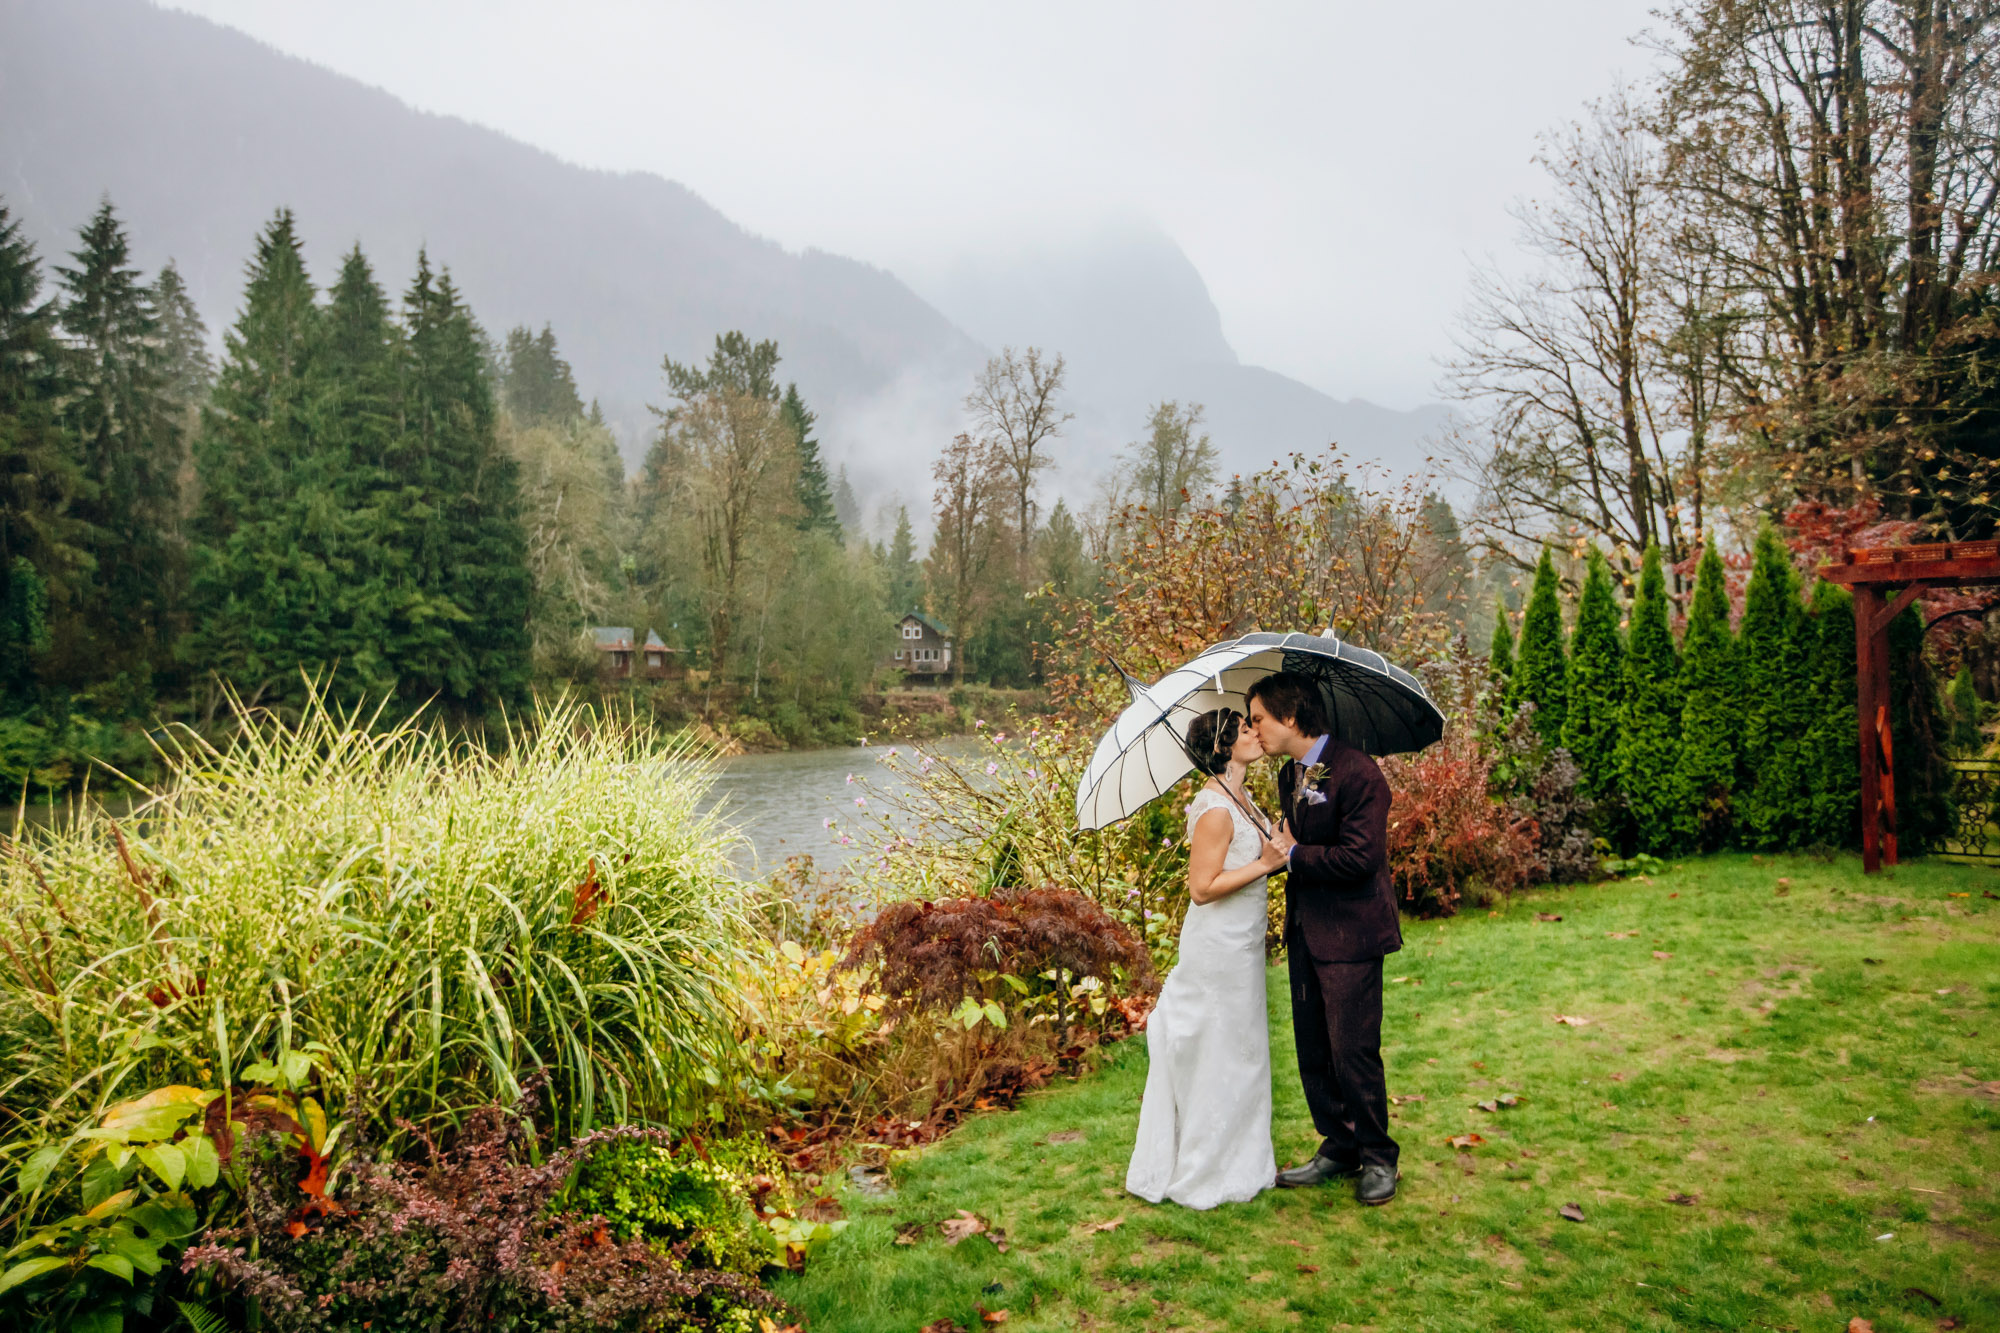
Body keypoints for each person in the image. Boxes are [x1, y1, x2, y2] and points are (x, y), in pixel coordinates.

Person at [1124, 707, 1289, 1209]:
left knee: (1244, 1052)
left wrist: (1278, 850)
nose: (1255, 734)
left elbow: (1256, 862)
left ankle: (1243, 1158)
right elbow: (1201, 889)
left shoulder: (1242, 798)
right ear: (1222, 747)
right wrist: (1263, 863)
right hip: (1217, 948)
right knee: (1220, 1052)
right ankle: (1205, 1167)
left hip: (1241, 946)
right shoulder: (1215, 808)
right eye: (1244, 730)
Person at [1248, 671, 1401, 1207]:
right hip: (1307, 929)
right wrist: (1280, 846)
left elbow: (1361, 859)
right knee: (1314, 1049)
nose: (1254, 729)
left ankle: (1379, 1156)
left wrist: (1292, 855)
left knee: (1353, 1050)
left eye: (1259, 718)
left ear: (1290, 717)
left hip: (1353, 933)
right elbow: (1299, 843)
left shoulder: (1361, 775)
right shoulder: (1290, 774)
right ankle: (1339, 1146)